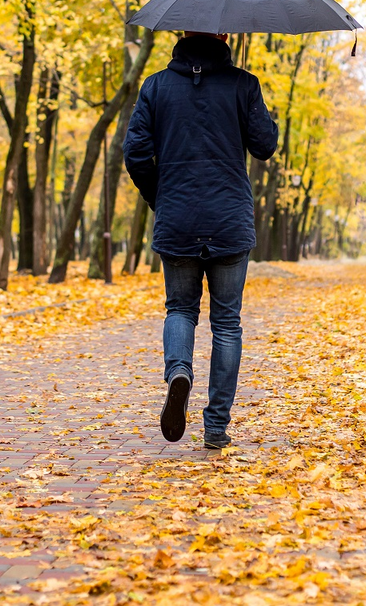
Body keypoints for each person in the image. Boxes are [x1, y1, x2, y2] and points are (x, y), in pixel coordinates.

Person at [123, 32, 278, 449]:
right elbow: (265, 146)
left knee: (180, 309)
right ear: (224, 36)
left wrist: (163, 197)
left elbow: (135, 154)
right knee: (227, 324)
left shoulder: (155, 86)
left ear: (181, 35)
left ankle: (179, 372)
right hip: (229, 221)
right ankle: (215, 427)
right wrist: (261, 109)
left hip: (177, 220)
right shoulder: (244, 84)